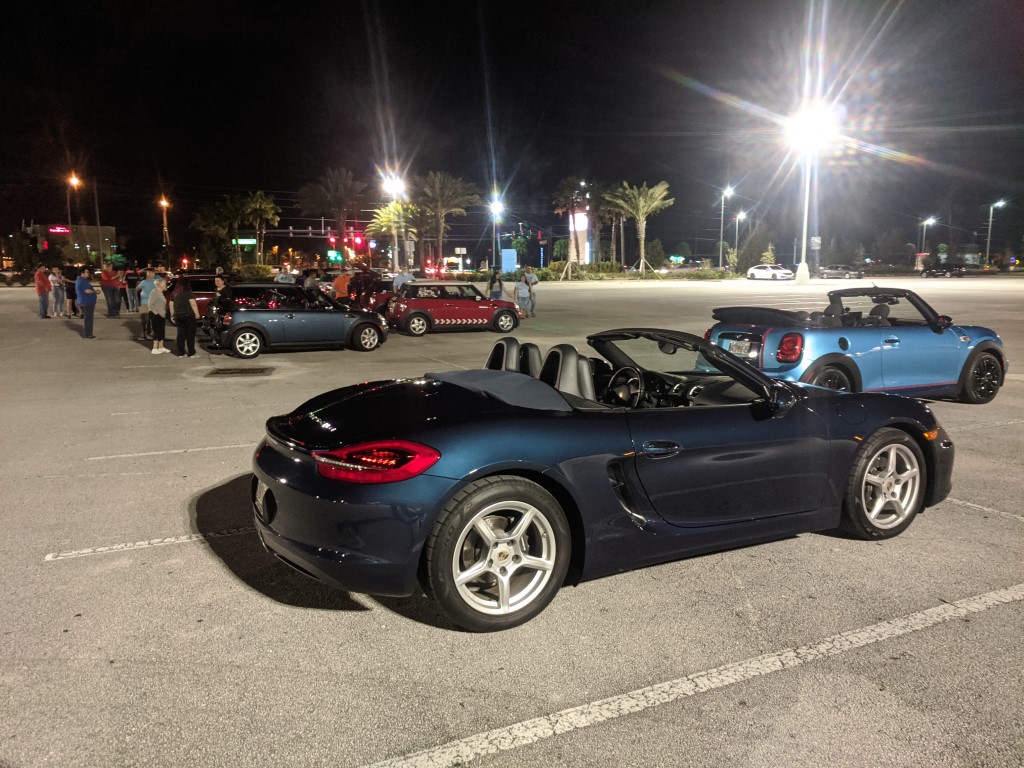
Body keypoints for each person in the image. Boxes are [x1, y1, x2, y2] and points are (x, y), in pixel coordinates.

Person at [169, 277, 201, 357]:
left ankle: (181, 353)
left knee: (181, 334)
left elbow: (171, 304)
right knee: (190, 335)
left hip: (178, 315)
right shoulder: (188, 292)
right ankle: (191, 353)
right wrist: (197, 314)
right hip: (188, 315)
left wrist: (172, 313)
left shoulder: (174, 292)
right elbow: (193, 304)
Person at [146, 275, 171, 354]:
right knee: (157, 331)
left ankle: (161, 347)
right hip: (156, 315)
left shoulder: (161, 292)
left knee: (161, 331)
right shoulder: (154, 292)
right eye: (164, 284)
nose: (165, 285)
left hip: (162, 315)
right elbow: (150, 304)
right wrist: (156, 313)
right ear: (159, 284)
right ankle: (154, 348)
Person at [76, 267, 98, 338]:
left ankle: (88, 333)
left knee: (88, 318)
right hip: (87, 301)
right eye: (87, 272)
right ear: (82, 273)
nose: (88, 273)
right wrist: (95, 292)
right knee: (88, 319)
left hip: (86, 301)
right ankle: (88, 334)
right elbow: (87, 291)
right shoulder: (82, 281)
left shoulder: (82, 280)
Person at [136, 269, 158, 339]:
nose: (154, 275)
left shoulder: (145, 282)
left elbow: (137, 289)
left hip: (147, 302)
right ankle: (148, 333)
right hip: (149, 303)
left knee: (146, 319)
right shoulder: (152, 282)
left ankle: (147, 333)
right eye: (152, 273)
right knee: (148, 319)